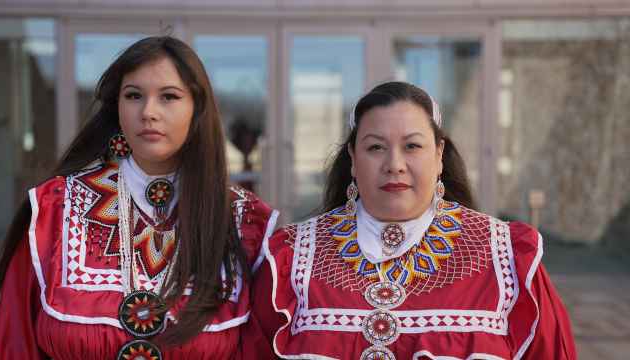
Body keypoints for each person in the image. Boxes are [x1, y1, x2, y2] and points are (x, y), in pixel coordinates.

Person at [0, 36, 279, 359]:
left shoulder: (246, 223)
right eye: (133, 96)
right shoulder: (54, 210)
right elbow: (16, 345)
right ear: (117, 106)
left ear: (197, 110)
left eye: (169, 97)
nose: (148, 112)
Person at [247, 82, 576, 359]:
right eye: (376, 147)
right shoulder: (290, 259)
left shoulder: (506, 258)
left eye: (412, 146)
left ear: (438, 154)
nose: (395, 164)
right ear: (353, 158)